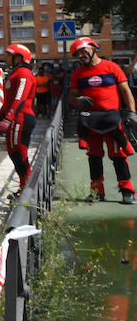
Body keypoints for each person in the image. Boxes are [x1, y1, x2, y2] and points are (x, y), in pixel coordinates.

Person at [68, 36, 137, 204]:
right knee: (94, 156)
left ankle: (127, 190)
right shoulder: (78, 73)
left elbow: (126, 91)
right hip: (90, 121)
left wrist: (131, 113)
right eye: (78, 54)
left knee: (118, 155)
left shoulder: (112, 67)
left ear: (93, 48)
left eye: (83, 51)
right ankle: (97, 192)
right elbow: (71, 97)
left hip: (112, 119)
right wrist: (78, 101)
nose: (81, 56)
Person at [0, 44, 37, 189]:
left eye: (8, 55)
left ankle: (28, 191)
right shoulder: (14, 73)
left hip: (21, 118)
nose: (4, 57)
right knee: (14, 154)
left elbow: (19, 98)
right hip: (14, 119)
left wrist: (7, 119)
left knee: (20, 155)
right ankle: (23, 187)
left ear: (18, 58)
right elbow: (8, 102)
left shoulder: (24, 73)